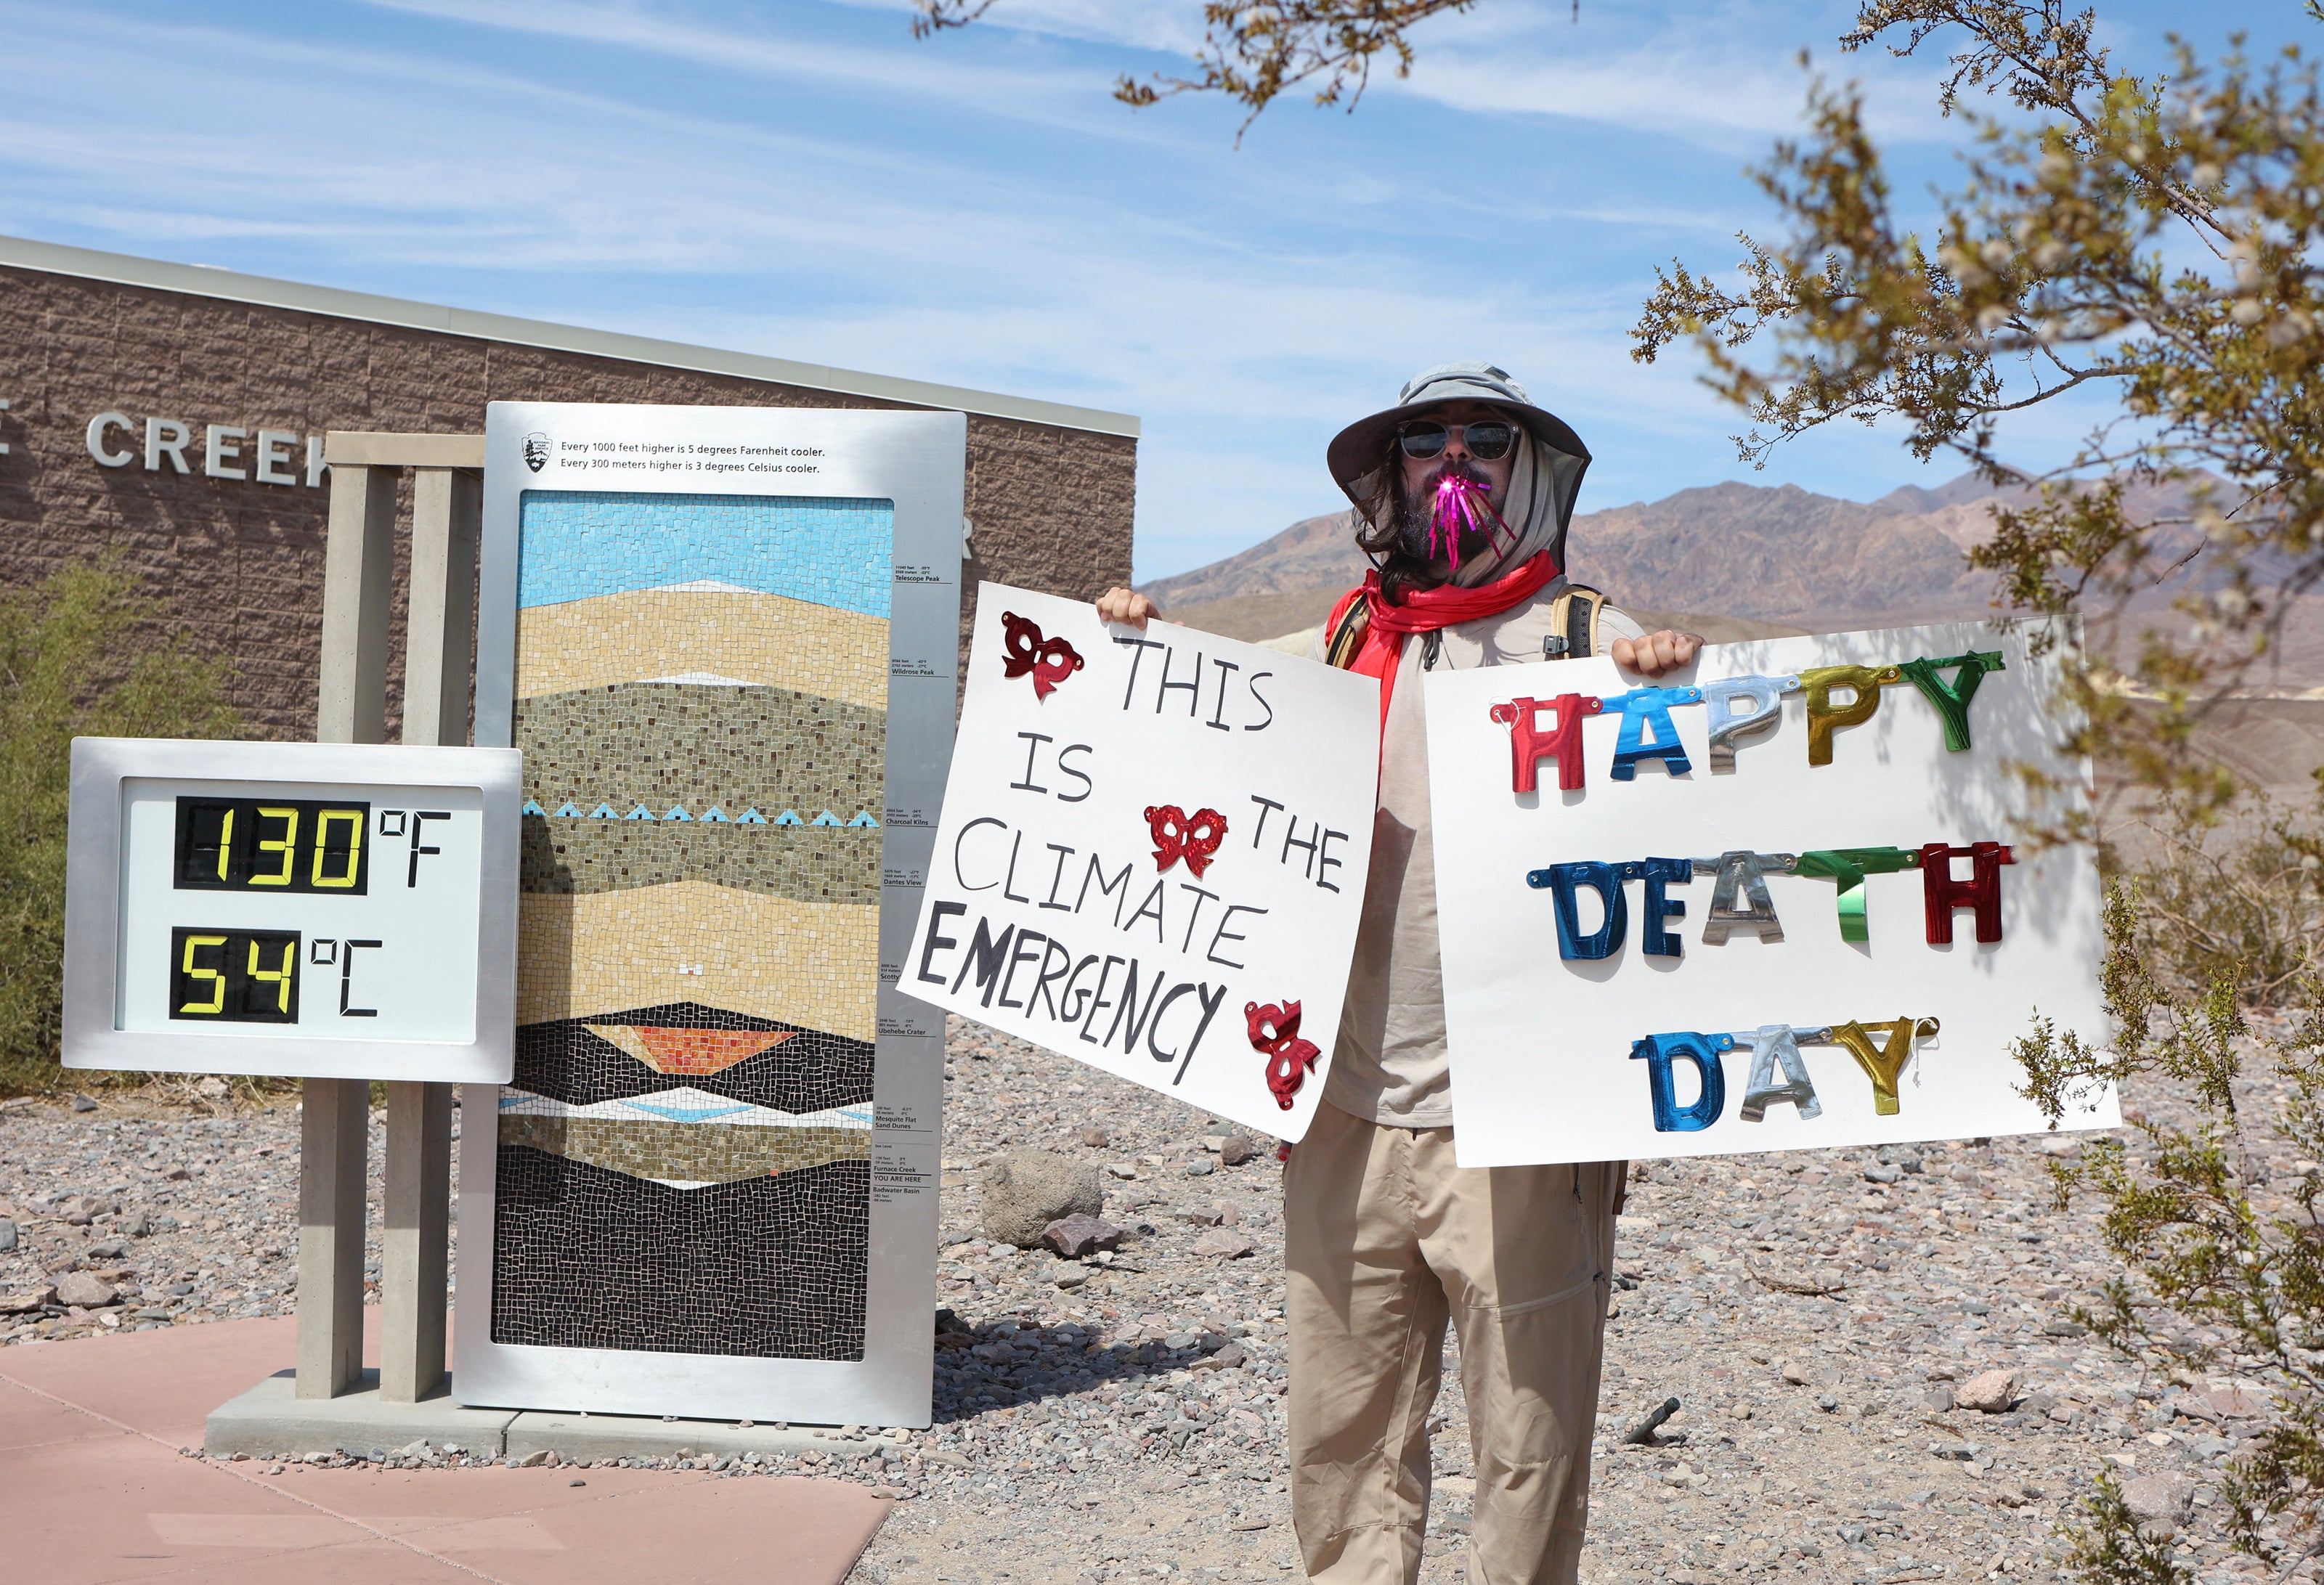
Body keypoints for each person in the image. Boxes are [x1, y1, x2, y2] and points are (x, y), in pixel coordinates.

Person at [1097, 362, 1701, 1585]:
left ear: (1527, 469)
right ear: (1395, 472)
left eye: (1486, 438)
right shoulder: (1335, 641)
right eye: (1428, 440)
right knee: (1343, 1429)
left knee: (1527, 1442)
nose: (1456, 459)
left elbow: (1715, 781)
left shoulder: (1591, 645)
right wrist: (1127, 635)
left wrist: (1673, 676)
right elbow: (1193, 695)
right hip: (1342, 1110)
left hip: (1518, 1124)